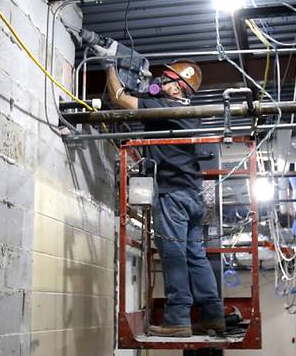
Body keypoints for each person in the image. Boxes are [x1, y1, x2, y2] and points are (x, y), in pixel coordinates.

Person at [93, 45, 225, 338]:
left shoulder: (168, 106)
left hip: (174, 195)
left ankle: (178, 318)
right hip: (193, 195)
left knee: (173, 253)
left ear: (179, 89)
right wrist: (143, 91)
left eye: (166, 80)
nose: (160, 83)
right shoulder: (183, 110)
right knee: (195, 255)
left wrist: (109, 65)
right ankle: (213, 315)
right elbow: (140, 98)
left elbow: (118, 99)